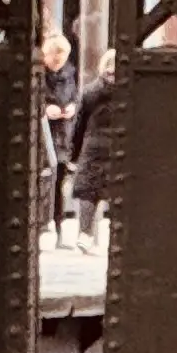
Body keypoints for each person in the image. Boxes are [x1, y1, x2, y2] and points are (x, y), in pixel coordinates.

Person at [67, 60, 125, 241]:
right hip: (119, 145)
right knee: (119, 191)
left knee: (89, 191)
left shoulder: (90, 92)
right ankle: (118, 237)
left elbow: (79, 125)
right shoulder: (128, 93)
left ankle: (85, 234)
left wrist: (74, 154)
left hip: (93, 145)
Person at [39, 31, 80, 233]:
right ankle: (42, 221)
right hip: (43, 134)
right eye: (54, 58)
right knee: (44, 178)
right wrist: (44, 109)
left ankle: (57, 220)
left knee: (60, 180)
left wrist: (72, 107)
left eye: (61, 58)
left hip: (63, 133)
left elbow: (76, 97)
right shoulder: (38, 75)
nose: (58, 62)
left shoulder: (70, 75)